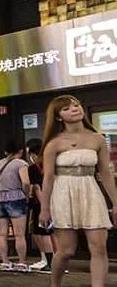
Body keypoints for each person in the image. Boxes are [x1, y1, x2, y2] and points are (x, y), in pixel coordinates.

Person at [39, 95, 117, 287]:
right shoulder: (54, 143)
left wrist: (116, 203)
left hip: (91, 190)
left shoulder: (97, 139)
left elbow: (106, 173)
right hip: (63, 193)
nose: (74, 109)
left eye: (76, 105)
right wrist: (44, 208)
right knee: (66, 251)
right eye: (66, 108)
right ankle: (55, 283)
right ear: (58, 117)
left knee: (99, 246)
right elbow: (48, 178)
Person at [0, 137, 31, 272]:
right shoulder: (21, 163)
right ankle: (21, 262)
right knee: (19, 234)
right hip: (15, 198)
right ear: (20, 150)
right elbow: (25, 182)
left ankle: (5, 262)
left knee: (2, 234)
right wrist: (26, 194)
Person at [25, 138, 53, 273]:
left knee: (44, 233)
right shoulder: (51, 165)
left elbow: (36, 188)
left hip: (41, 205)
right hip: (56, 202)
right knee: (54, 233)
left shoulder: (33, 169)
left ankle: (50, 263)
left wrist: (44, 207)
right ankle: (57, 262)